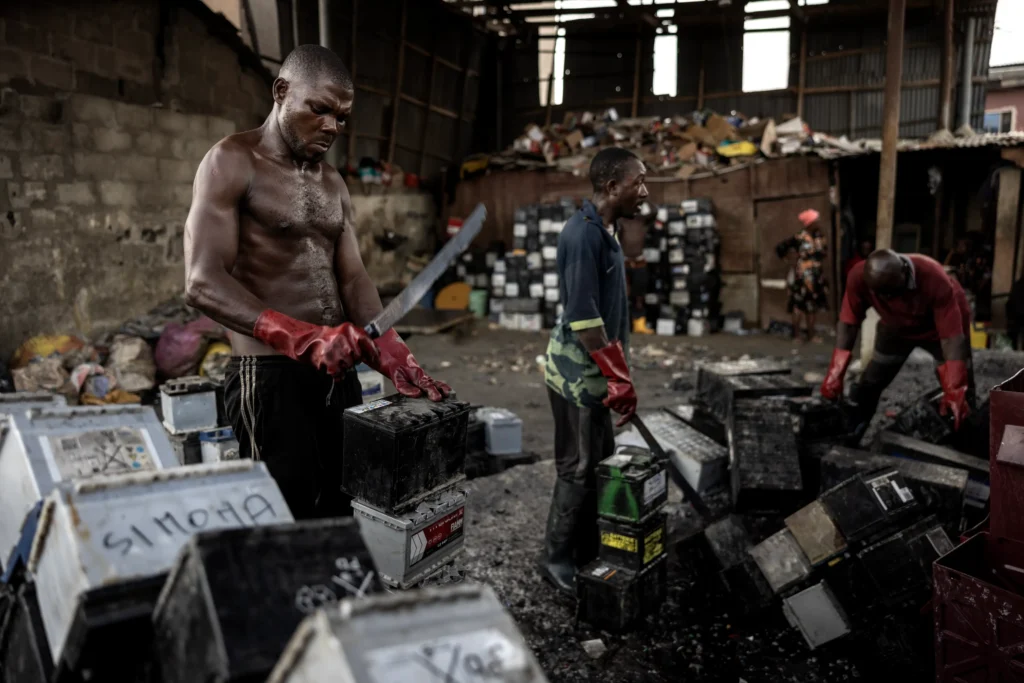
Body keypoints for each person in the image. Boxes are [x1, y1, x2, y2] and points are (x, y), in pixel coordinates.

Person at [183, 45, 449, 520]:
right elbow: (202, 282)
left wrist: (391, 349)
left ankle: (333, 595)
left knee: (341, 505)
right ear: (281, 91)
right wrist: (302, 338)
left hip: (336, 375)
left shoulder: (333, 183)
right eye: (320, 109)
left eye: (342, 117)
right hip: (268, 378)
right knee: (282, 519)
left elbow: (354, 280)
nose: (332, 127)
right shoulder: (232, 160)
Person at [540, 147, 648, 595]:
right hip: (577, 377)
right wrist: (618, 377)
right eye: (637, 182)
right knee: (577, 467)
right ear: (610, 188)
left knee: (599, 462)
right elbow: (583, 318)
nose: (644, 191)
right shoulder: (582, 236)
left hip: (598, 374)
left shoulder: (606, 229)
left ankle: (586, 545)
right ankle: (556, 558)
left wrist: (617, 375)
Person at [820, 249, 974, 433]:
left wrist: (955, 389)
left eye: (891, 293)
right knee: (870, 383)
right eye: (880, 294)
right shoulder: (858, 277)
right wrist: (835, 374)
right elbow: (849, 324)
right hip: (895, 328)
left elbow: (952, 340)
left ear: (905, 274)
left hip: (939, 333)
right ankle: (850, 432)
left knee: (960, 396)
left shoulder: (935, 279)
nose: (886, 299)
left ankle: (964, 440)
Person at [788, 209, 828, 342]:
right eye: (816, 220)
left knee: (812, 306)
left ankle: (811, 335)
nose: (818, 222)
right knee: (798, 305)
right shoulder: (798, 237)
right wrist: (794, 263)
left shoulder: (819, 237)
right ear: (810, 223)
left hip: (815, 277)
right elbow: (782, 249)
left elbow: (823, 254)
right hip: (801, 277)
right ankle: (797, 335)